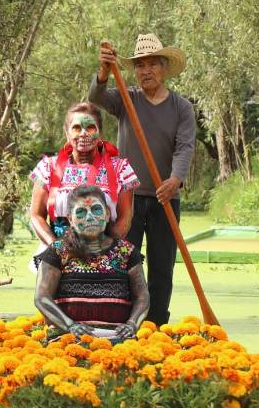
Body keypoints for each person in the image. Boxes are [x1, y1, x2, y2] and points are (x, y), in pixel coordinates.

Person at [89, 33, 195, 326]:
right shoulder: (127, 98)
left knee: (162, 268)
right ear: (133, 70)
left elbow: (184, 147)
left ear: (163, 68)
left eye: (152, 65)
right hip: (129, 199)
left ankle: (156, 324)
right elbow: (95, 98)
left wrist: (176, 179)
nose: (145, 71)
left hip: (165, 198)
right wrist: (103, 71)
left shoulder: (181, 108)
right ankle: (126, 323)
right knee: (125, 263)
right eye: (139, 66)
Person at [28, 102, 139, 273]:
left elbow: (125, 218)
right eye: (77, 128)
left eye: (91, 128)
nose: (84, 134)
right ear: (67, 133)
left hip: (104, 258)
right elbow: (36, 215)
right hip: (57, 258)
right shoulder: (48, 167)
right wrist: (56, 250)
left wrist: (102, 252)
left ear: (100, 132)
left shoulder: (121, 169)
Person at [34, 185, 149, 339]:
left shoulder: (126, 251)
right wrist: (70, 325)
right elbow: (41, 297)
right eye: (81, 212)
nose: (89, 217)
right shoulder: (58, 251)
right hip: (67, 339)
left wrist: (132, 324)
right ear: (70, 219)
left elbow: (142, 296)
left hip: (118, 338)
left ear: (107, 214)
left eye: (96, 210)